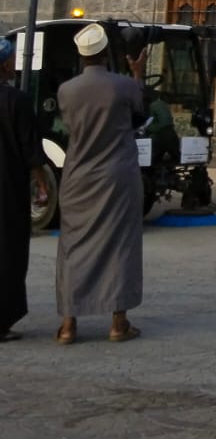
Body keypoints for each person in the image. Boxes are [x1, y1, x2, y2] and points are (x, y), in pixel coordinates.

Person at [54, 22, 148, 344]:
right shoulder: (124, 86)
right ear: (106, 51)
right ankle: (118, 323)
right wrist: (138, 74)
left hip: (78, 177)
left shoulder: (66, 90)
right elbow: (139, 113)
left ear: (81, 56)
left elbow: (71, 126)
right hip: (117, 175)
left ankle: (69, 324)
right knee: (121, 243)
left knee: (73, 245)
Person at [1, 36, 48, 341]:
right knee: (8, 252)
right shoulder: (16, 101)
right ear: (5, 65)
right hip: (8, 188)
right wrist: (42, 186)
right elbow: (31, 150)